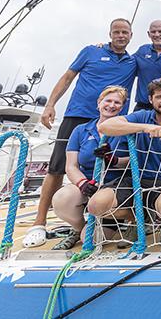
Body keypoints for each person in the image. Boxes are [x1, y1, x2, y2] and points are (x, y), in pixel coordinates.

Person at [26, 18, 136, 249]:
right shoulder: (90, 51)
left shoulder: (133, 61)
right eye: (116, 32)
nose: (120, 36)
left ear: (131, 35)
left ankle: (115, 220)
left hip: (113, 120)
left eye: (125, 32)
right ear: (110, 33)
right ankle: (39, 223)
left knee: (114, 164)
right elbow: (67, 78)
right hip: (79, 115)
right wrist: (50, 105)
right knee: (57, 167)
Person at [91, 77, 161, 243]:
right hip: (139, 181)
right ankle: (137, 222)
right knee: (96, 205)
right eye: (159, 97)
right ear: (150, 99)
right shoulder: (142, 117)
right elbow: (104, 126)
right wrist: (145, 127)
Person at [51, 86, 130, 249]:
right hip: (89, 183)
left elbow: (135, 161)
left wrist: (113, 160)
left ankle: (107, 225)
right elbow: (71, 166)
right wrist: (83, 184)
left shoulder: (127, 130)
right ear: (99, 103)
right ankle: (78, 228)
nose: (111, 105)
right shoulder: (80, 130)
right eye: (108, 101)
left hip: (115, 188)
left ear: (121, 108)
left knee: (90, 240)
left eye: (117, 102)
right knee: (61, 199)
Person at [133, 20, 161, 111]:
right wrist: (104, 48)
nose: (157, 35)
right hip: (143, 106)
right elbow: (125, 61)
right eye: (153, 32)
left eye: (160, 31)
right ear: (149, 34)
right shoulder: (142, 50)